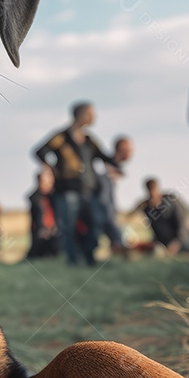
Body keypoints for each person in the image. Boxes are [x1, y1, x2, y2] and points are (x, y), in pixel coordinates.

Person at [34, 102, 118, 265]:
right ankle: (73, 260)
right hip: (67, 190)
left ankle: (89, 257)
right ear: (81, 115)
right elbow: (40, 151)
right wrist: (51, 168)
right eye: (91, 114)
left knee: (94, 225)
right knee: (68, 227)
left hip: (90, 191)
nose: (94, 117)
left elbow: (104, 156)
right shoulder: (61, 137)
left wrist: (118, 160)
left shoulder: (89, 139)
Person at [131, 178, 188, 255]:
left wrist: (176, 244)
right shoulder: (147, 208)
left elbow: (181, 226)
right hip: (161, 243)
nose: (152, 194)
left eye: (153, 190)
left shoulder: (171, 203)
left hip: (180, 241)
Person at [96, 136, 133, 256]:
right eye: (129, 150)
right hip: (99, 213)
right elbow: (104, 201)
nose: (131, 154)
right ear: (121, 150)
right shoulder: (106, 170)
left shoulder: (115, 169)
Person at [26, 167, 59, 259]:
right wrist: (43, 229)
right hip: (40, 232)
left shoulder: (55, 196)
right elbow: (37, 218)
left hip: (54, 230)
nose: (49, 183)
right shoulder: (35, 198)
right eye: (45, 180)